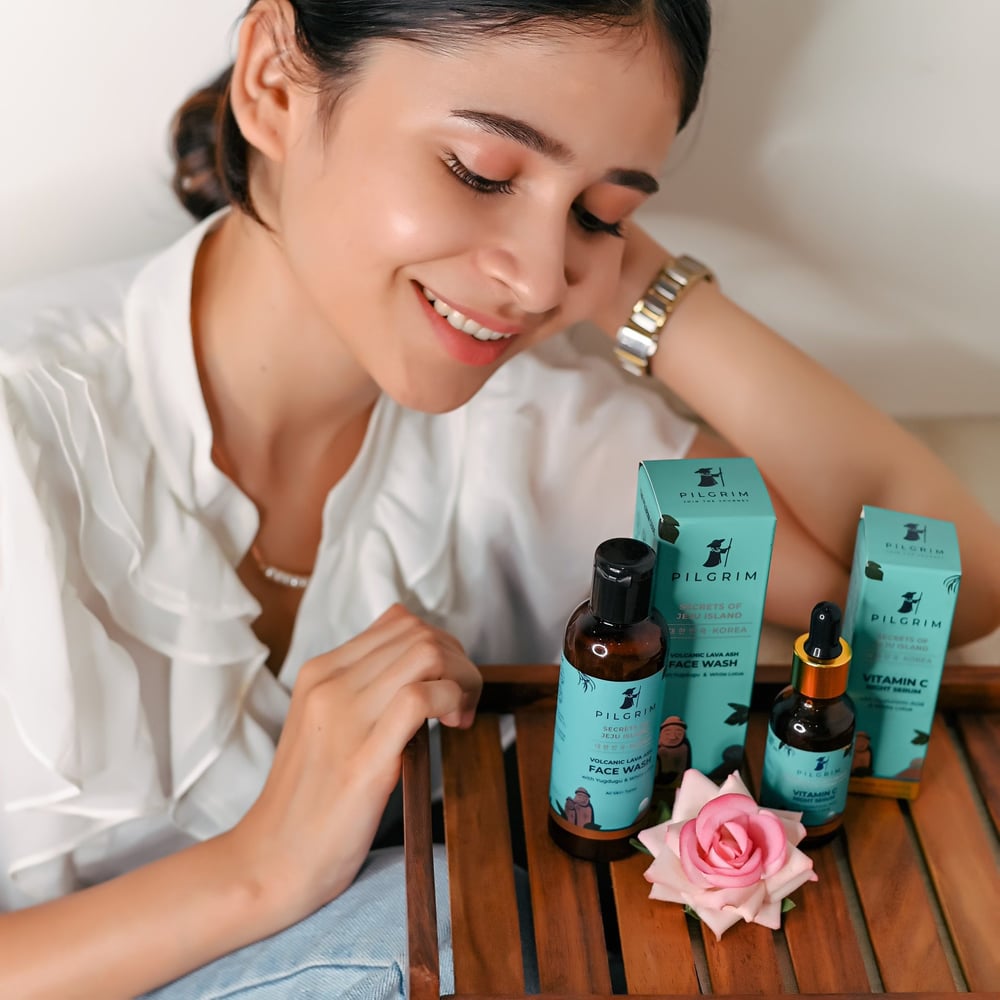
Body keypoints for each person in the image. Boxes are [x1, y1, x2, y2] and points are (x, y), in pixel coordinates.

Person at [1, 0, 998, 996]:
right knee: (433, 910)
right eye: (480, 170)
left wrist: (637, 289)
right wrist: (257, 871)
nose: (530, 280)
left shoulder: (514, 420)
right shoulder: (23, 432)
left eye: (597, 211)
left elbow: (939, 581)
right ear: (273, 80)